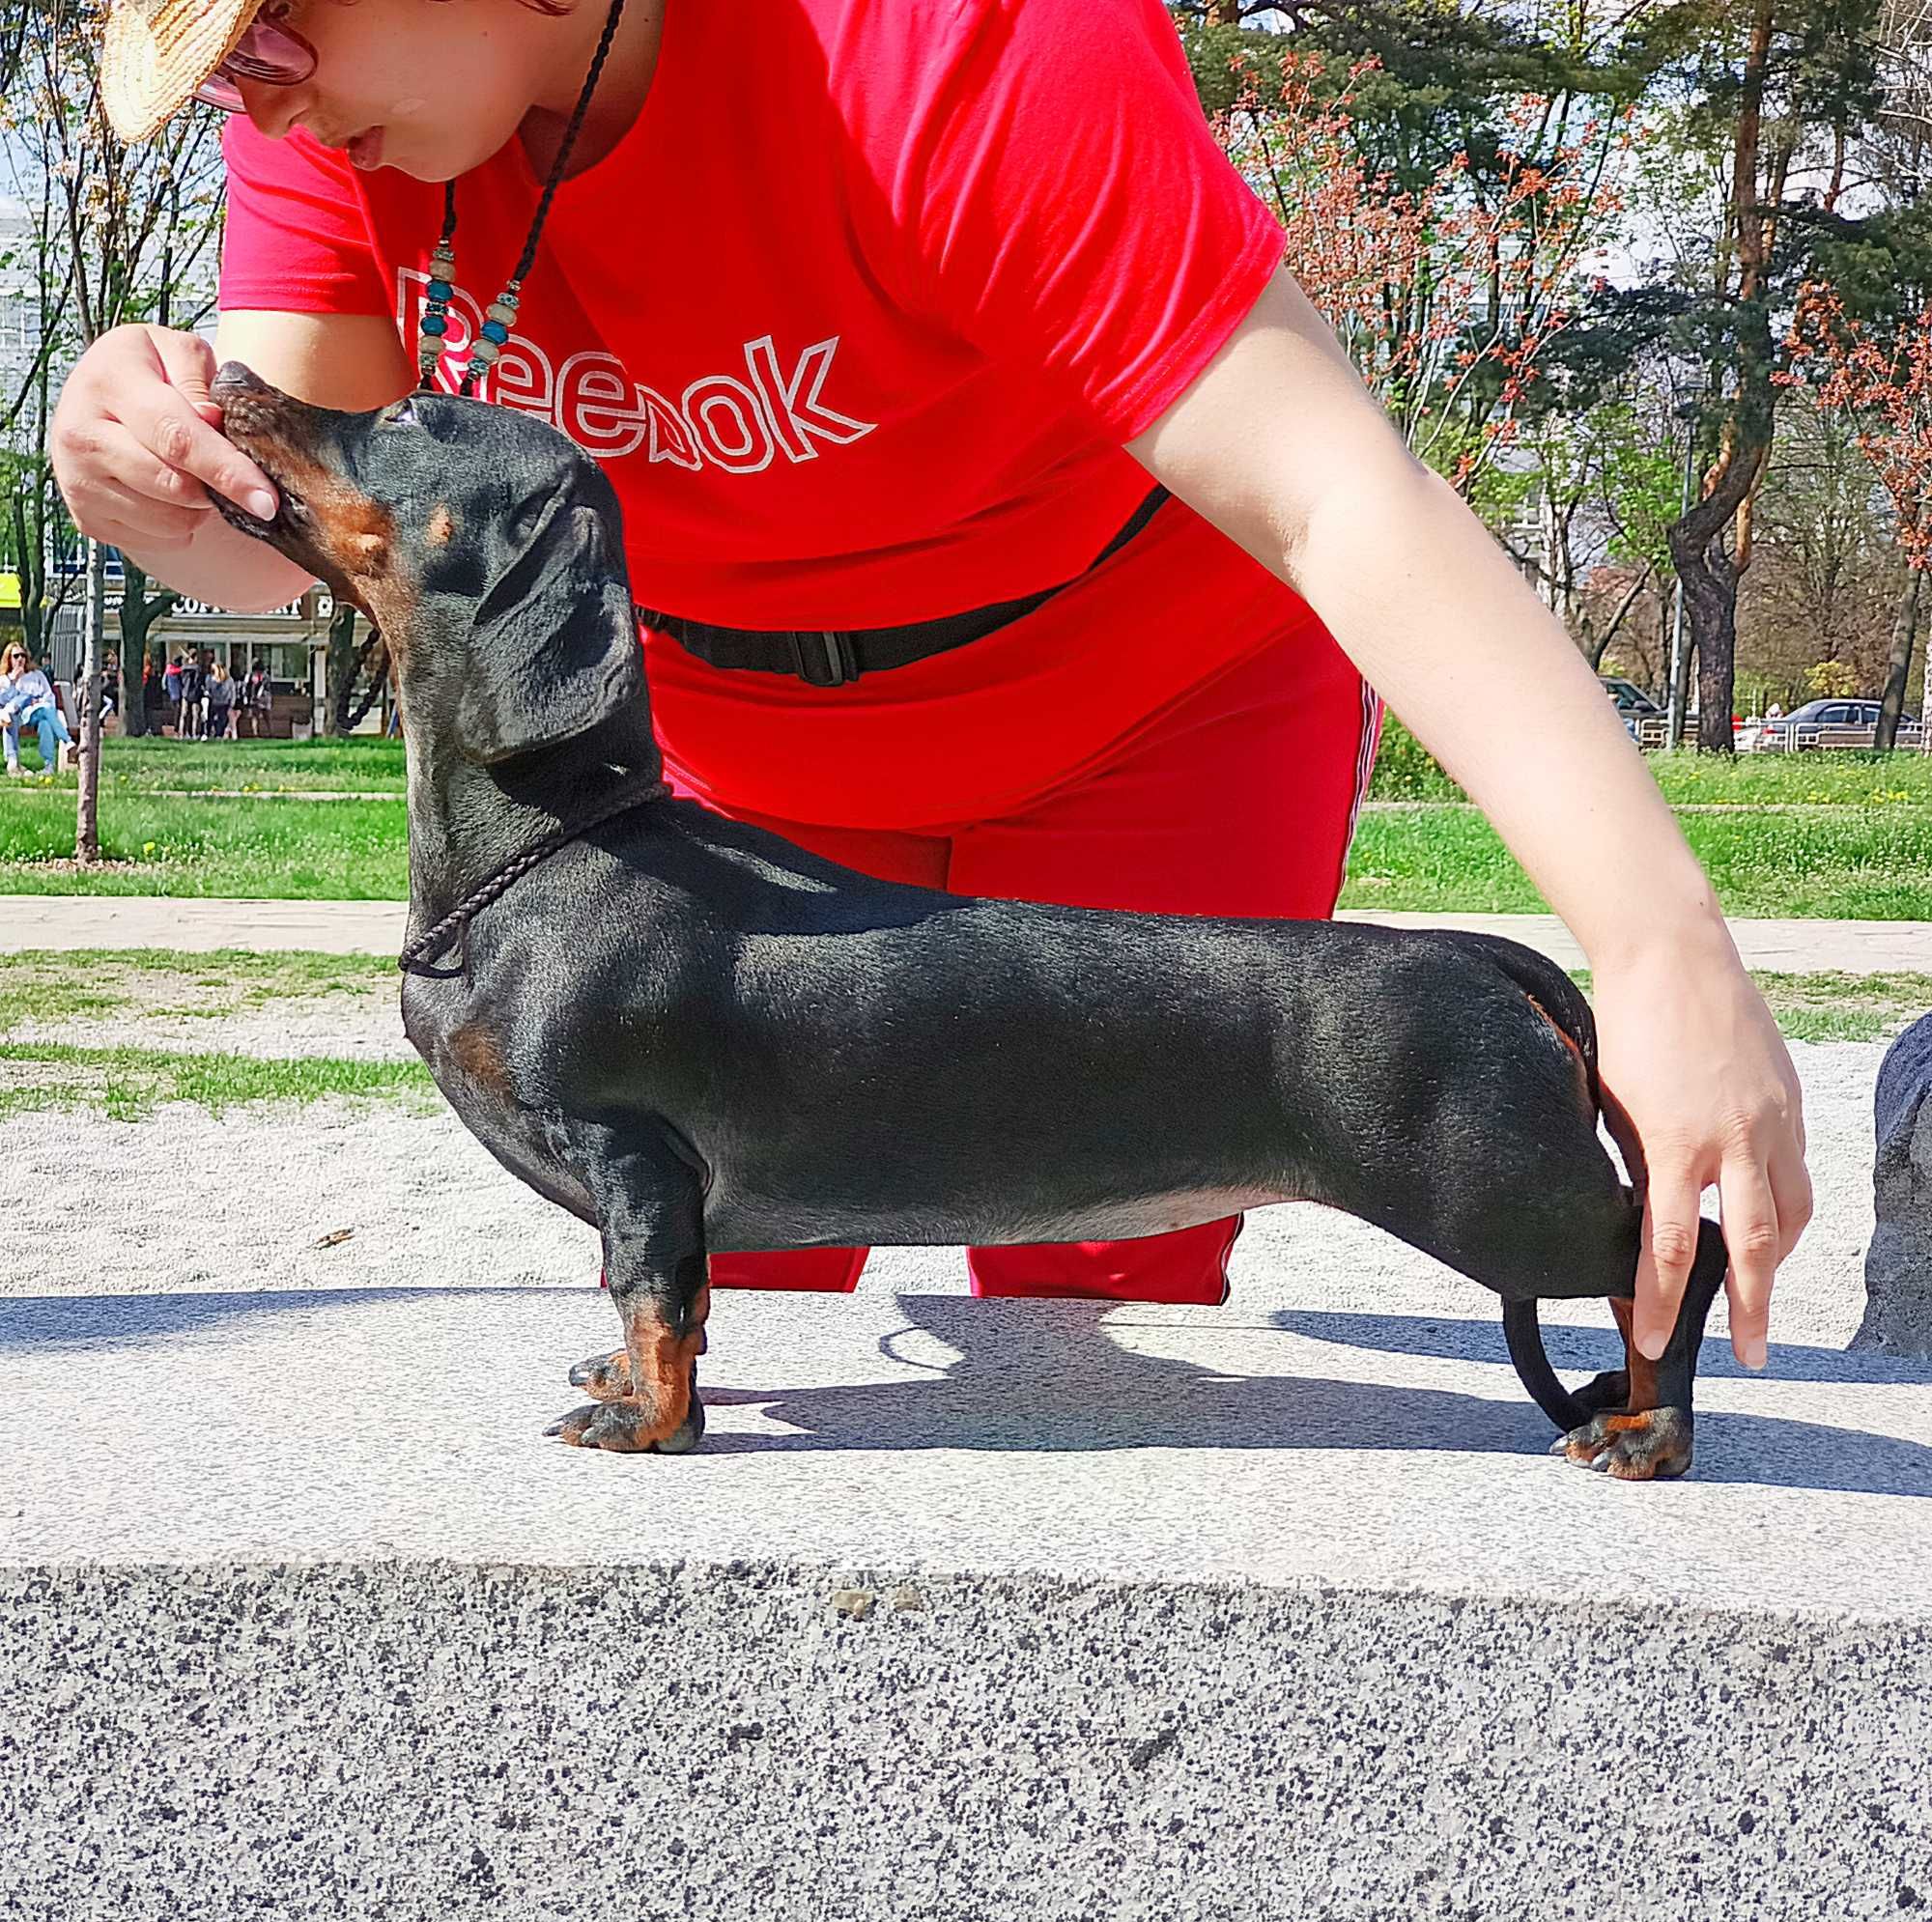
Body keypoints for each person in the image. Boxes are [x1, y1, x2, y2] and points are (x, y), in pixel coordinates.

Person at [55, 0, 1810, 1360]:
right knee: (733, 1272)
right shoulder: (338, 119)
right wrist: (125, 478)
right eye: (219, 70)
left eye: (270, 26)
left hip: (1142, 708)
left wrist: (1663, 949)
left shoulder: (935, 42)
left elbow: (1334, 491)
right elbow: (296, 541)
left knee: (1095, 1296)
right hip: (733, 761)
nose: (259, 96)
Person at [0, 641, 76, 778]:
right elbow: (2, 700)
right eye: (16, 656)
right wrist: (14, 681)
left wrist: (41, 702)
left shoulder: (37, 675)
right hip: (20, 716)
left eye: (23, 655)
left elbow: (49, 695)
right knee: (25, 699)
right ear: (9, 659)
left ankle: (49, 766)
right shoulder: (4, 679)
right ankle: (68, 741)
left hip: (38, 712)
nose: (20, 659)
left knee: (45, 723)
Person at [177, 649, 207, 739]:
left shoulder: (183, 668)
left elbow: (180, 680)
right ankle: (194, 734)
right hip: (195, 695)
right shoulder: (198, 669)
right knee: (195, 715)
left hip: (185, 694)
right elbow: (199, 682)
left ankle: (181, 733)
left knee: (184, 714)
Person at [241, 660, 273, 737]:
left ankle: (257, 733)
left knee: (257, 716)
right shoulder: (265, 676)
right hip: (263, 698)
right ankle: (268, 732)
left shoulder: (252, 676)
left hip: (258, 698)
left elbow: (247, 687)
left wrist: (248, 698)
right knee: (265, 716)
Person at [206, 659, 238, 740]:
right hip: (213, 702)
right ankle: (211, 733)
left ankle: (219, 734)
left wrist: (232, 702)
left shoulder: (229, 680)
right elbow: (208, 689)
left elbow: (232, 691)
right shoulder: (210, 678)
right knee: (212, 719)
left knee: (222, 719)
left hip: (224, 703)